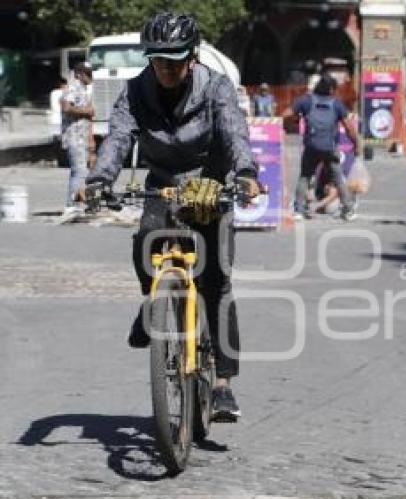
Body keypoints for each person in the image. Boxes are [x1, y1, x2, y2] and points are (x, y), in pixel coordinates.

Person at [82, 12, 260, 422]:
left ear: (192, 58)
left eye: (175, 60)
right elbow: (118, 138)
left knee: (215, 280)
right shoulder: (135, 92)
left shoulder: (216, 89)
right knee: (146, 242)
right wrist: (99, 178)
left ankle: (222, 385)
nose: (166, 68)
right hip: (162, 183)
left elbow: (235, 132)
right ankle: (154, 304)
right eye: (159, 59)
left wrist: (245, 174)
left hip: (209, 186)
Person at [288, 75, 358, 221]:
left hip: (311, 146)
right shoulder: (336, 104)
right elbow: (349, 127)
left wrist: (294, 122)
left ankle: (299, 210)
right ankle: (348, 210)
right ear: (331, 89)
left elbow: (286, 114)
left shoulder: (307, 100)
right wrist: (356, 143)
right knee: (338, 178)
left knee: (305, 176)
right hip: (330, 147)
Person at [60, 63, 94, 213]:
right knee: (79, 171)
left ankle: (77, 203)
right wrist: (86, 111)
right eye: (87, 74)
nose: (90, 77)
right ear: (79, 73)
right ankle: (72, 204)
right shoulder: (74, 86)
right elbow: (66, 107)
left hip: (82, 137)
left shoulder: (83, 89)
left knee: (82, 171)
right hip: (74, 137)